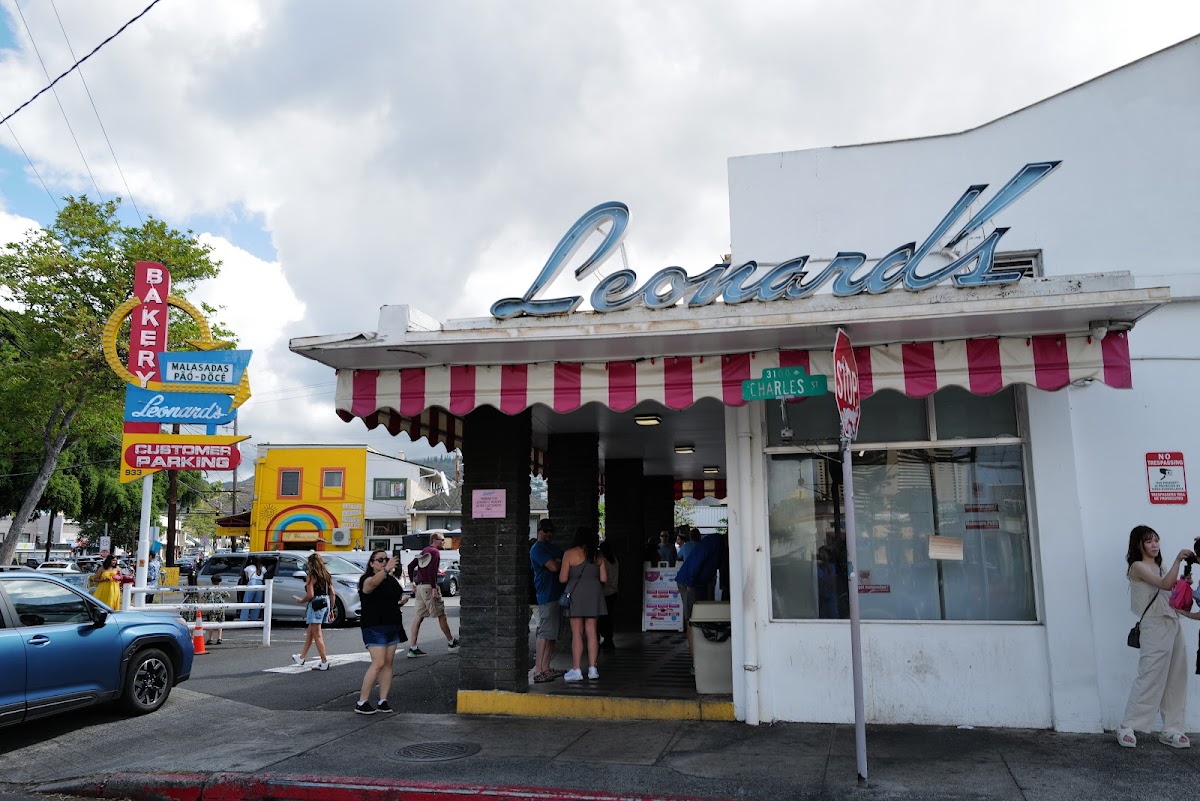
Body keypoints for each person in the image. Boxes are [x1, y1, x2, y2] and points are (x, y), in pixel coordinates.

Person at [1118, 525, 1197, 748]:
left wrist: (1184, 584)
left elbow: (1170, 590)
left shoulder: (1159, 565)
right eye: (1149, 541)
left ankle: (1172, 729)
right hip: (1154, 625)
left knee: (1176, 677)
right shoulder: (1137, 566)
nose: (1154, 545)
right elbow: (1164, 584)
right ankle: (1127, 725)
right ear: (1138, 544)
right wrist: (1178, 560)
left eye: (1156, 540)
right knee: (1150, 674)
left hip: (1172, 621)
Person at [355, 550, 408, 714]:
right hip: (374, 626)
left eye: (386, 559)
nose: (384, 562)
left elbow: (389, 600)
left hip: (392, 625)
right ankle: (362, 701)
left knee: (388, 663)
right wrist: (386, 570)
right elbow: (369, 587)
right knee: (378, 662)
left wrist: (400, 603)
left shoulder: (390, 580)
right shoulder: (366, 579)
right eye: (380, 560)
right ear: (371, 563)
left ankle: (383, 700)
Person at [559, 526, 608, 681]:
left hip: (576, 595)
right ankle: (593, 669)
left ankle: (577, 669)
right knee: (592, 633)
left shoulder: (570, 554)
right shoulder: (598, 555)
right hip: (594, 594)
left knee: (577, 633)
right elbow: (604, 579)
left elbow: (562, 578)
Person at [676, 530, 724, 668]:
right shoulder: (713, 543)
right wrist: (690, 584)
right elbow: (696, 562)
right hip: (690, 583)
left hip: (701, 583)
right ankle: (695, 662)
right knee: (692, 620)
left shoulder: (720, 546)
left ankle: (703, 657)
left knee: (701, 619)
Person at [407, 532, 459, 657]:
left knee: (418, 616)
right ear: (435, 540)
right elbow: (431, 572)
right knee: (441, 614)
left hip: (420, 587)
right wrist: (434, 588)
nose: (444, 542)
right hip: (428, 588)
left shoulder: (425, 550)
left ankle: (413, 648)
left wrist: (411, 582)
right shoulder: (435, 552)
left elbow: (410, 566)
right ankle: (451, 643)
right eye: (442, 540)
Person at [530, 519, 565, 682]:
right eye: (546, 531)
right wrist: (558, 561)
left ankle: (546, 668)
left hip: (557, 595)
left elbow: (564, 560)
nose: (549, 533)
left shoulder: (552, 548)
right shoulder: (537, 549)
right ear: (539, 531)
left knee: (551, 634)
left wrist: (558, 561)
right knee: (544, 632)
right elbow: (555, 567)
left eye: (551, 531)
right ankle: (538, 671)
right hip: (546, 596)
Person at [292, 553, 335, 670]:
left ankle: (324, 661)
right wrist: (331, 609)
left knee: (317, 634)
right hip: (326, 602)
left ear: (311, 564)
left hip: (316, 604)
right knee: (311, 632)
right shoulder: (327, 575)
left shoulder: (311, 576)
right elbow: (333, 593)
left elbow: (310, 594)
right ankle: (301, 657)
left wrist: (301, 600)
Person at [597, 539, 619, 651]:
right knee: (608, 618)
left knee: (603, 619)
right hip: (613, 592)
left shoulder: (603, 562)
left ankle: (607, 641)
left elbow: (602, 579)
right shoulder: (614, 560)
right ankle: (609, 640)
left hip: (605, 593)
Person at [202, 574, 228, 645]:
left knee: (211, 624)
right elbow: (227, 595)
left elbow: (204, 598)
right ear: (220, 582)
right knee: (220, 623)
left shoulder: (209, 589)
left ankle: (210, 638)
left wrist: (203, 606)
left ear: (211, 582)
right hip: (220, 609)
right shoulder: (221, 589)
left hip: (211, 609)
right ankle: (219, 638)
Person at [240, 555, 266, 622]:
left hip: (252, 583)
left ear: (252, 561)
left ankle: (243, 620)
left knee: (247, 602)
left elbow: (246, 578)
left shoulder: (249, 568)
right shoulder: (262, 568)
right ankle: (254, 620)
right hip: (260, 584)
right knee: (257, 603)